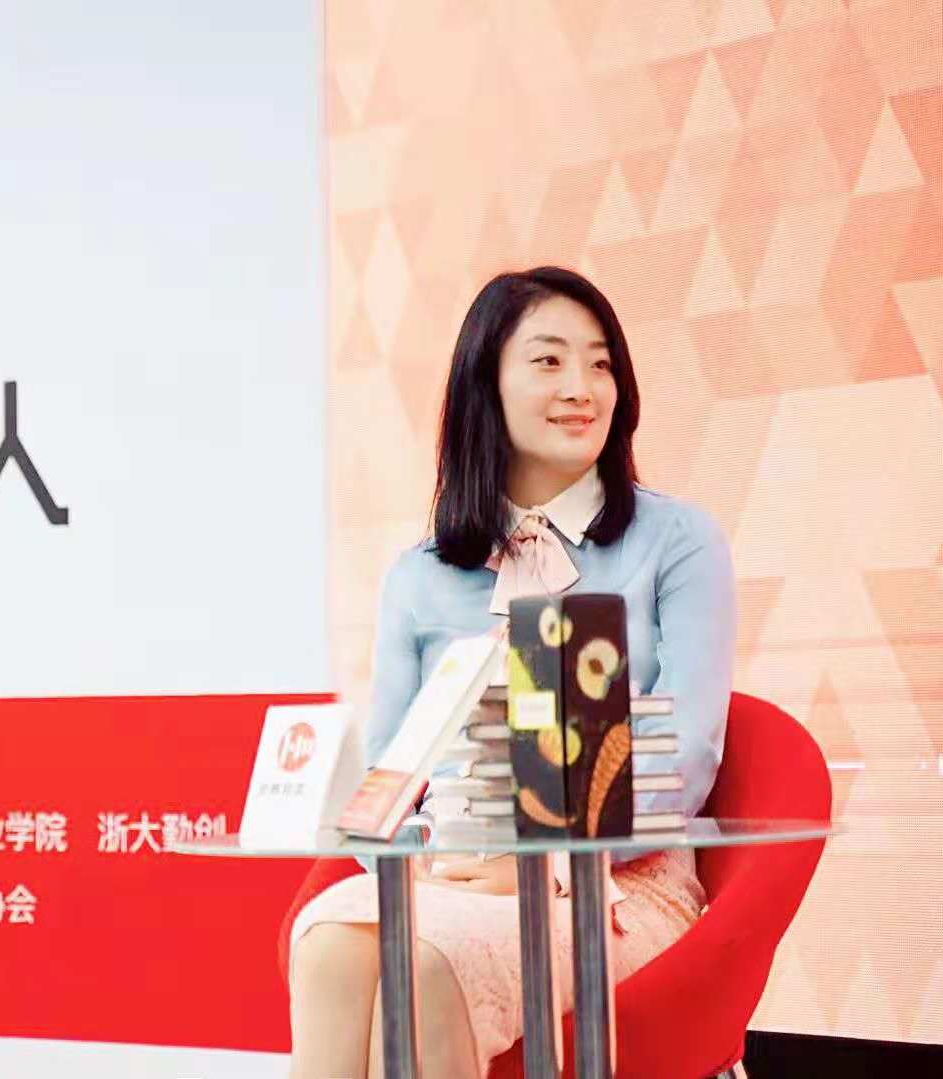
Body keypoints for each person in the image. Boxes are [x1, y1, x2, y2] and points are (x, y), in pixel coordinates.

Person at [286, 267, 736, 1079]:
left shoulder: (677, 542)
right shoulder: (419, 574)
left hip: (619, 881)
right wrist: (430, 863)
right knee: (326, 945)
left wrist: (539, 864)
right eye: (549, 360)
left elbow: (688, 752)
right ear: (483, 384)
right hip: (451, 871)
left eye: (599, 363)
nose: (581, 388)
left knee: (427, 961)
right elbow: (390, 770)